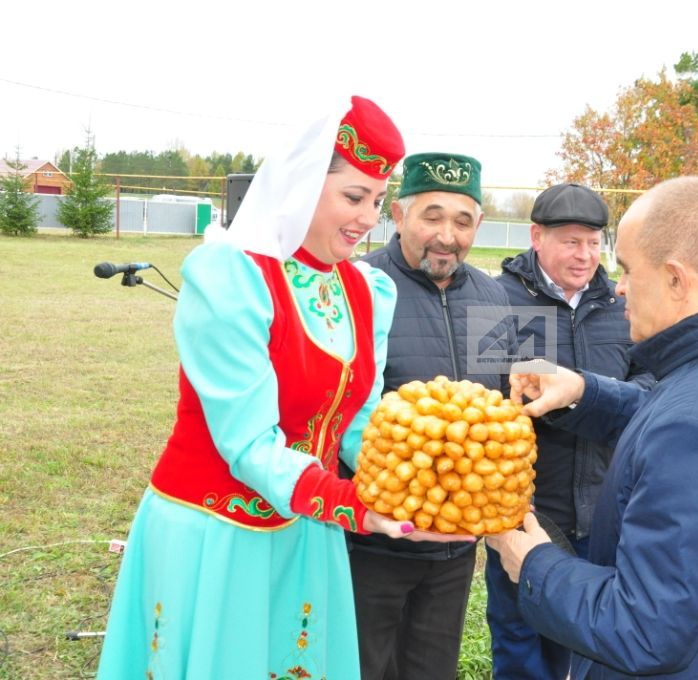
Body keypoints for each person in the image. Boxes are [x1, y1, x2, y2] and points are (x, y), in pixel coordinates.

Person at [96, 97, 471, 678]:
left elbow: (357, 423)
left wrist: (424, 476)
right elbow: (246, 443)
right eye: (352, 196)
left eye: (376, 200)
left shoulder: (367, 290)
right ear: (300, 185)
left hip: (307, 532)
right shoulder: (231, 274)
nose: (368, 218)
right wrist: (354, 505)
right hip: (217, 533)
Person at [487, 176, 698, 678]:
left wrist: (534, 563)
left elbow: (644, 630)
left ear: (676, 279)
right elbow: (676, 416)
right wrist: (584, 390)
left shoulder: (696, 430)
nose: (619, 285)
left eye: (627, 268)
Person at [354, 152, 514, 680]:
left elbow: (508, 409)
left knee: (431, 667)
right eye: (432, 216)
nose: (447, 235)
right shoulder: (358, 287)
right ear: (397, 216)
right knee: (359, 663)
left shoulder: (496, 298)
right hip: (371, 539)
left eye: (463, 221)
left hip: (454, 547)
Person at [488, 183, 646, 679]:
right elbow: (489, 390)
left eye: (594, 242)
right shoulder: (500, 298)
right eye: (571, 242)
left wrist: (586, 389)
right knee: (523, 646)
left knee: (600, 644)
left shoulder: (623, 303)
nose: (585, 256)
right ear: (536, 237)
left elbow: (652, 383)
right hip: (531, 510)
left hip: (608, 509)